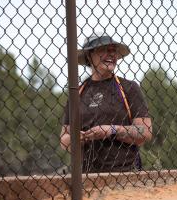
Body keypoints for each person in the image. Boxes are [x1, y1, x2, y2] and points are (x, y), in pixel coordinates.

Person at [60, 32, 152, 173]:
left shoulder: (129, 88)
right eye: (103, 49)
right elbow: (64, 140)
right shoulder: (77, 93)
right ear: (89, 55)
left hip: (125, 174)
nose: (111, 54)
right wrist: (77, 139)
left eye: (113, 50)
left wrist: (112, 130)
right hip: (85, 177)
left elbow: (145, 132)